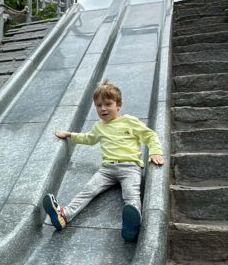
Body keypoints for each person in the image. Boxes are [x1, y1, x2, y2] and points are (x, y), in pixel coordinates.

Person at [43, 79, 164, 242]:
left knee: (131, 194)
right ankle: (65, 215)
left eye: (108, 104)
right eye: (99, 105)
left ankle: (132, 224)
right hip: (107, 169)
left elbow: (149, 135)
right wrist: (70, 135)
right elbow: (89, 138)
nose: (103, 108)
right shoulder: (99, 127)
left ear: (118, 105)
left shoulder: (129, 121)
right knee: (88, 190)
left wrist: (155, 151)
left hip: (130, 167)